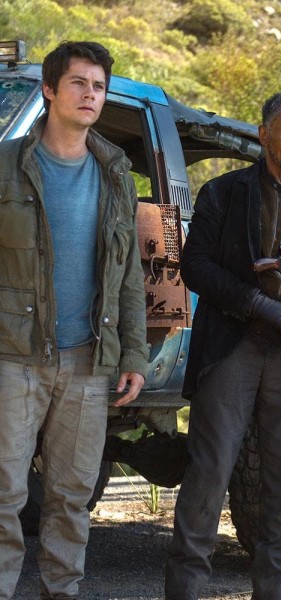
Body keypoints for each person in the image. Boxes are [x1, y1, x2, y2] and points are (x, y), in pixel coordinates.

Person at [164, 90, 281, 600]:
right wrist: (261, 305)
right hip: (234, 348)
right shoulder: (225, 193)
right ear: (264, 133)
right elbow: (195, 266)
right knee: (208, 474)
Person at [0, 41, 148, 599]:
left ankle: (62, 592)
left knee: (70, 497)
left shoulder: (115, 174)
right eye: (79, 83)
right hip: (13, 355)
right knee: (4, 495)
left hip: (89, 359)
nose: (91, 94)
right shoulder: (6, 166)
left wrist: (133, 354)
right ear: (49, 90)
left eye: (99, 86)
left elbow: (128, 274)